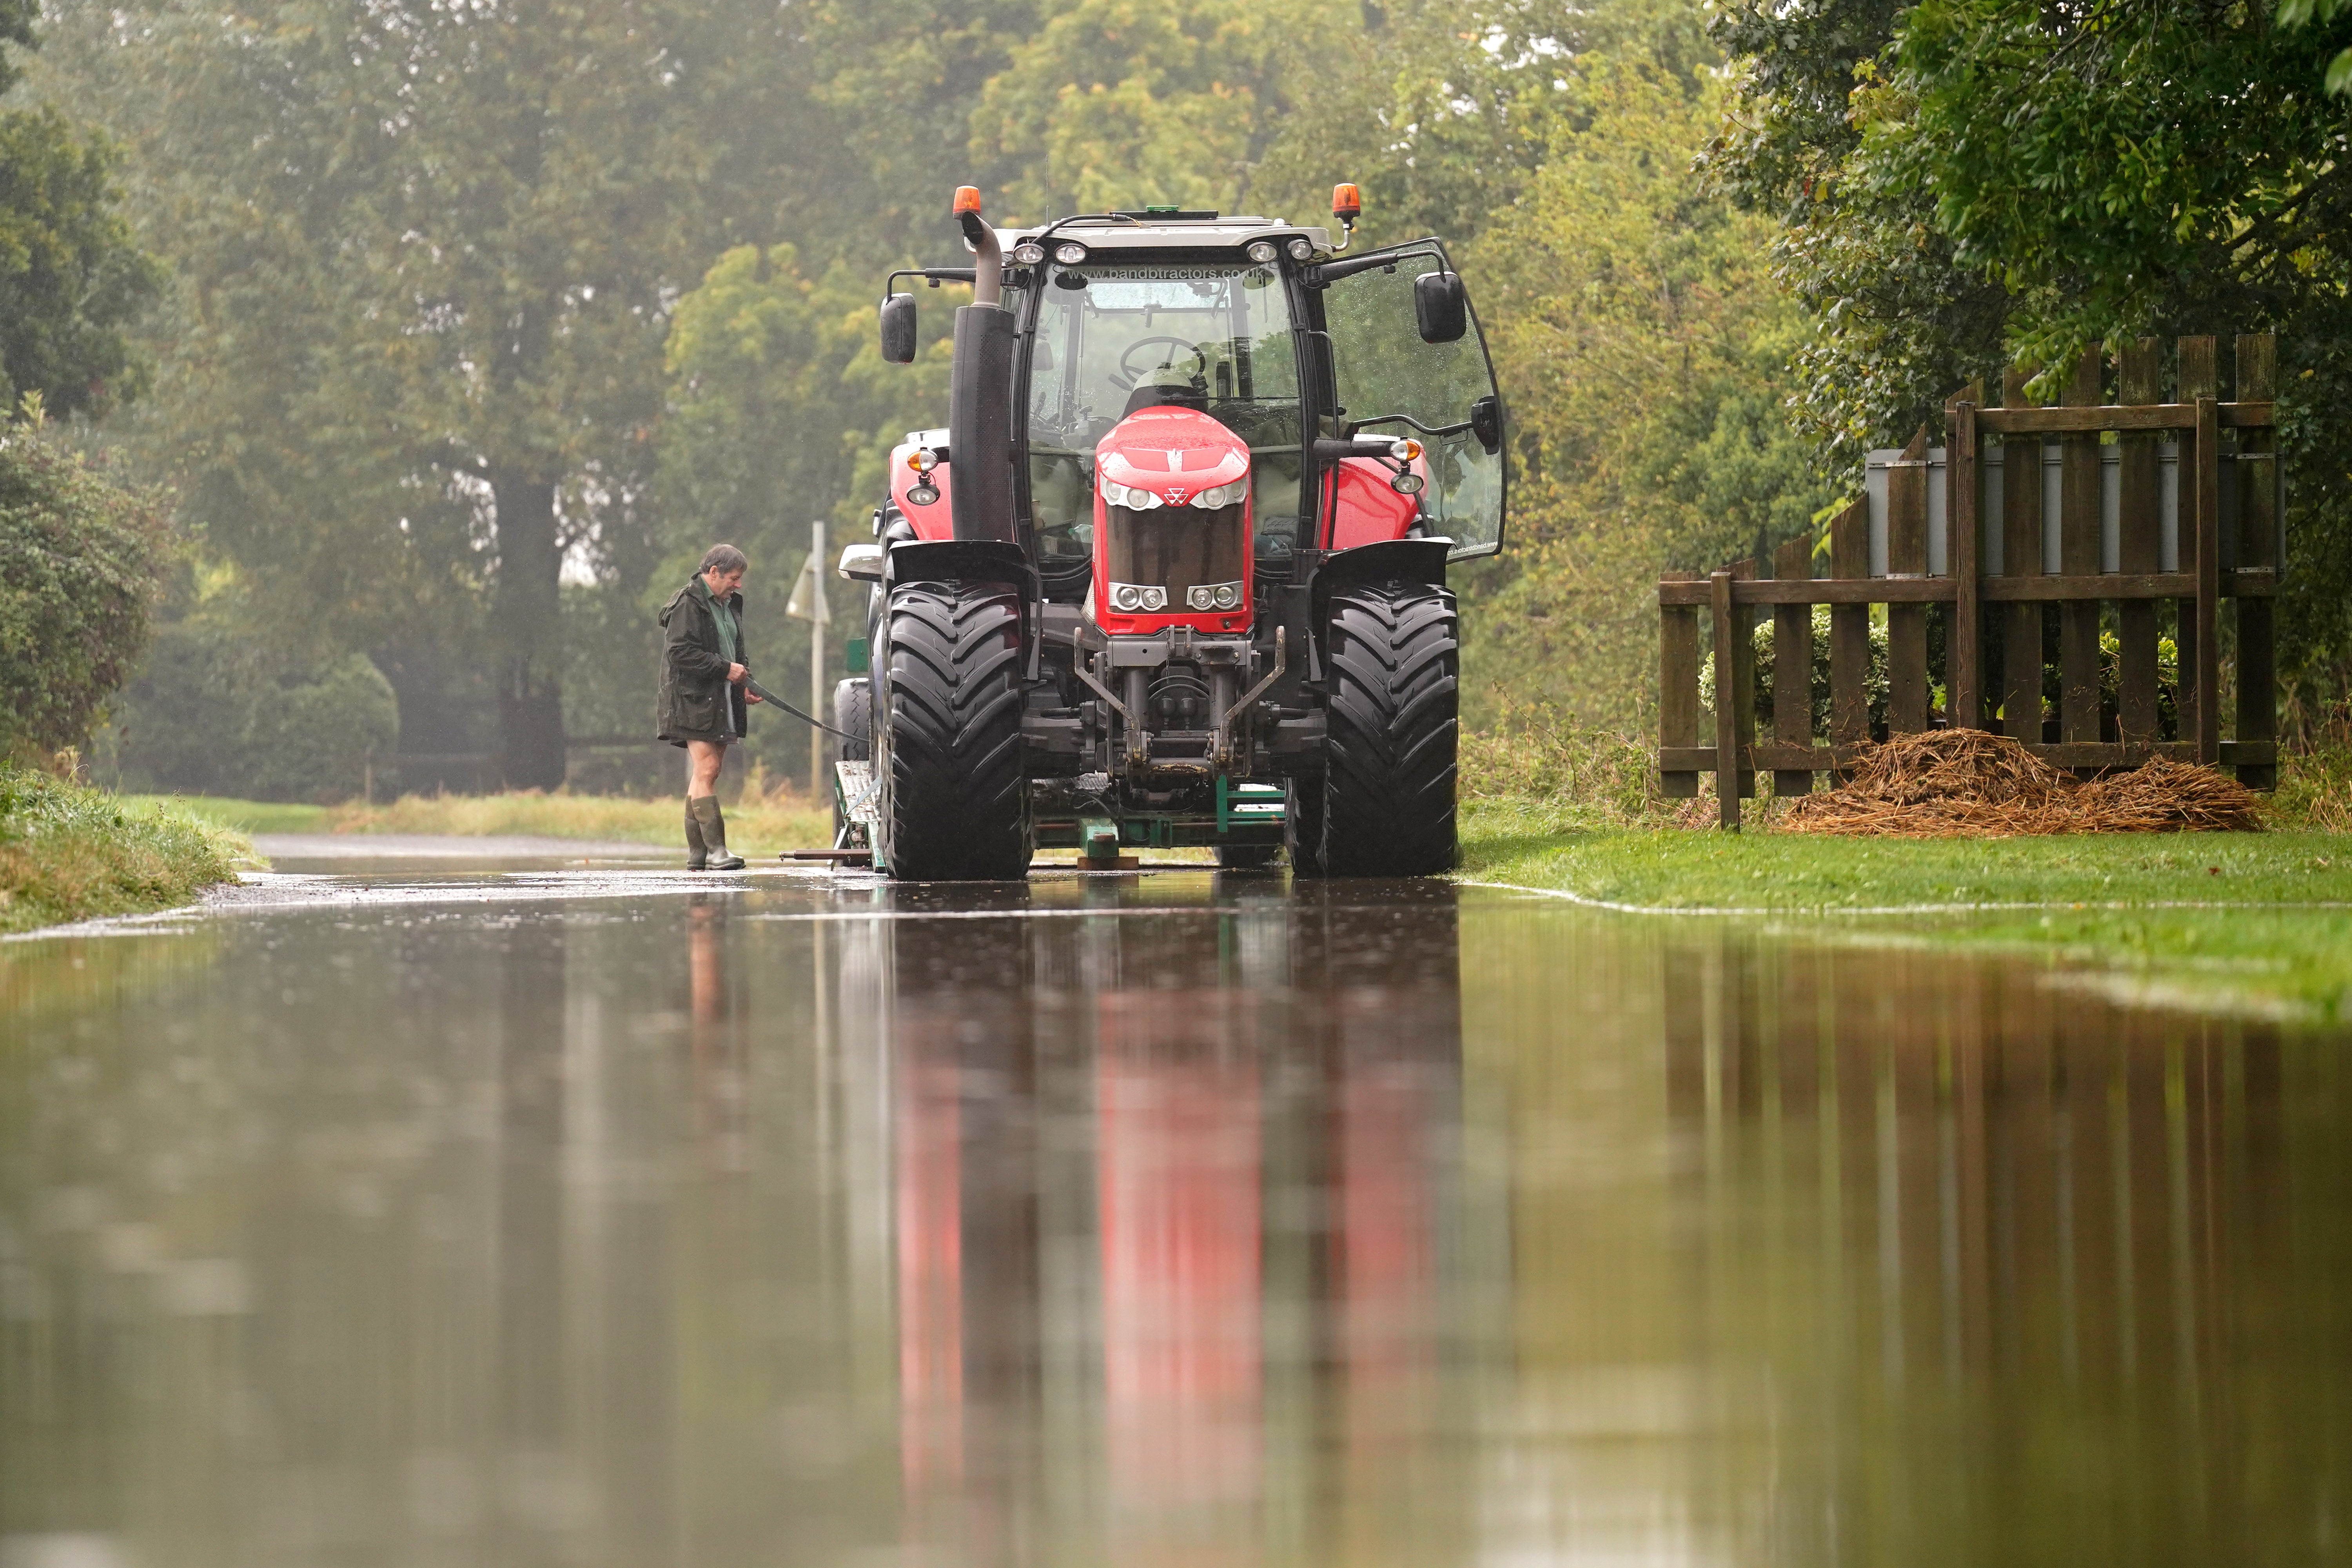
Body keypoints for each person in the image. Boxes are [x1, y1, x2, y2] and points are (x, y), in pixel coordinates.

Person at [658, 544, 763, 869]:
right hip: (693, 700)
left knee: (708, 774)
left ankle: (698, 854)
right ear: (713, 572)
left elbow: (733, 649)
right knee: (708, 770)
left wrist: (743, 682)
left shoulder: (727, 604)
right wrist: (725, 669)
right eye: (733, 578)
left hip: (722, 698)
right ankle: (718, 851)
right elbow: (681, 653)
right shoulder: (688, 604)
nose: (738, 585)